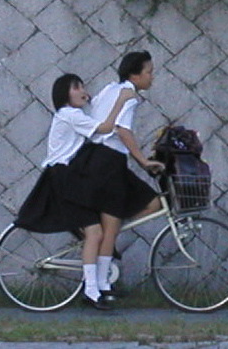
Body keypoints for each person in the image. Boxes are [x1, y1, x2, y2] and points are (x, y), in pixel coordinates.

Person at [14, 73, 135, 310]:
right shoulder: (69, 115)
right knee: (94, 233)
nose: (83, 90)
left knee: (96, 232)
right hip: (62, 179)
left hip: (68, 178)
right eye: (77, 87)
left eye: (83, 86)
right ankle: (91, 290)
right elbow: (106, 128)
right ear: (64, 94)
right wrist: (121, 100)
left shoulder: (74, 115)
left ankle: (98, 286)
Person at [65, 51, 165, 299]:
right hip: (108, 164)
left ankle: (103, 264)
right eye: (149, 72)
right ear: (135, 74)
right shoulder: (129, 97)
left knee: (152, 203)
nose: (152, 77)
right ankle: (100, 286)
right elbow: (122, 130)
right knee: (111, 228)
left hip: (93, 158)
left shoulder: (110, 88)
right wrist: (143, 160)